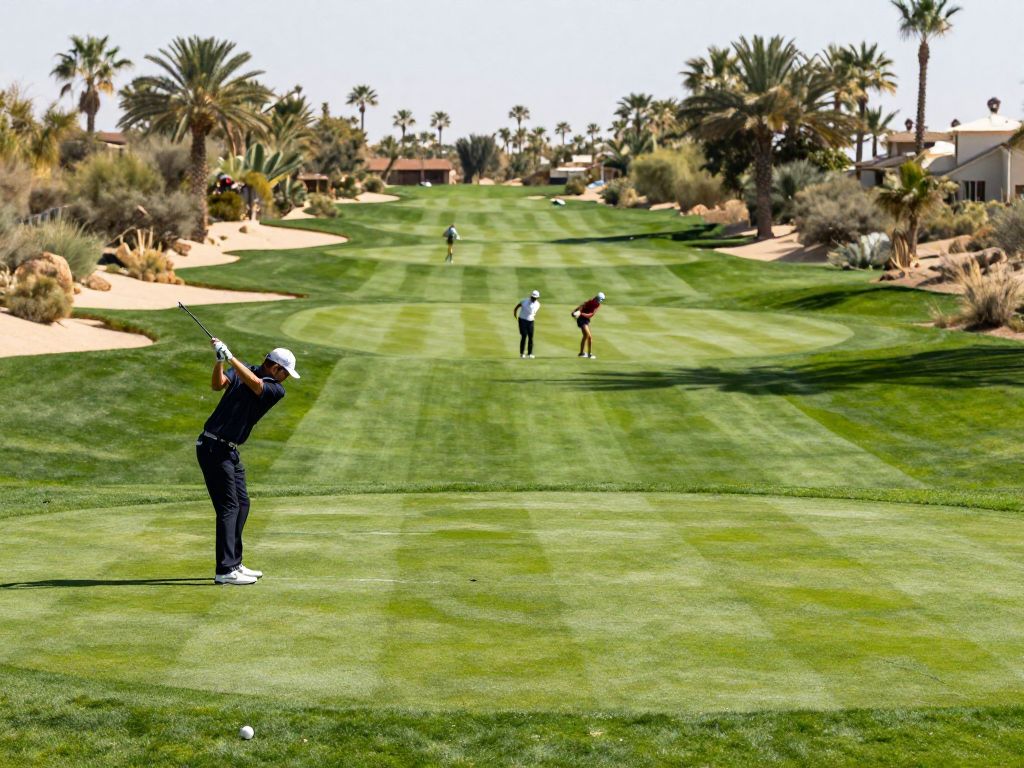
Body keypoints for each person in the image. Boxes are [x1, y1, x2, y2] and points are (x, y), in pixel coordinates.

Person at [196, 338, 300, 585]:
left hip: (229, 451)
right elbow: (217, 385)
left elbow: (255, 384)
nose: (286, 378)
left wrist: (231, 357)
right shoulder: (246, 370)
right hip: (212, 447)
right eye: (285, 373)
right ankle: (225, 570)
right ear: (275, 367)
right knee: (229, 507)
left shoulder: (275, 389)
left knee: (242, 504)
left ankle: (234, 563)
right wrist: (220, 362)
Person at [572, 291, 605, 358]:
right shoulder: (591, 301)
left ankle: (584, 353)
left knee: (587, 336)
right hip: (582, 320)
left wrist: (580, 313)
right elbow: (582, 306)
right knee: (588, 336)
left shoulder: (597, 304)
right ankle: (587, 354)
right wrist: (576, 311)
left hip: (585, 319)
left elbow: (590, 315)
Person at [513, 289, 541, 358]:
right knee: (524, 336)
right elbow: (517, 307)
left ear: (537, 298)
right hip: (522, 320)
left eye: (535, 298)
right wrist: (515, 314)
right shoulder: (524, 301)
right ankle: (522, 353)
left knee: (531, 337)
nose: (533, 299)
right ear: (531, 296)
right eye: (532, 297)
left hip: (531, 321)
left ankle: (530, 353)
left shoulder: (538, 304)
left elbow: (533, 312)